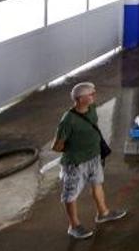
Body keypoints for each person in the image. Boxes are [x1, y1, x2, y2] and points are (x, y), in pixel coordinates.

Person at [52, 82, 127, 239]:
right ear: (79, 99)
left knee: (97, 184)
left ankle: (103, 213)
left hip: (94, 157)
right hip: (76, 163)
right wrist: (77, 148)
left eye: (94, 93)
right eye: (90, 94)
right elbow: (57, 146)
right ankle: (74, 226)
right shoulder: (68, 120)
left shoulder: (91, 109)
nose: (94, 96)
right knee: (71, 194)